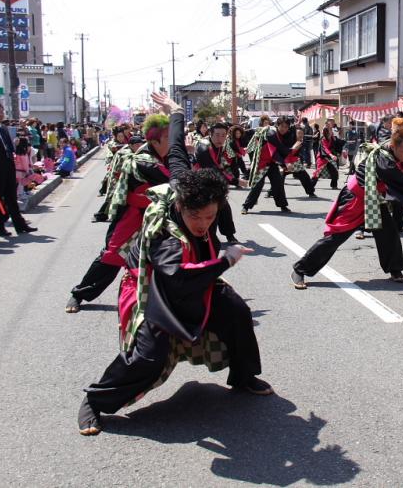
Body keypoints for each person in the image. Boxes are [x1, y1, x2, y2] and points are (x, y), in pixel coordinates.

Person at [77, 92, 272, 436]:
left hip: (197, 276)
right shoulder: (168, 234)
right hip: (156, 288)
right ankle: (95, 401)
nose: (202, 224)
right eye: (194, 216)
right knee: (149, 357)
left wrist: (177, 111)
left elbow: (178, 148)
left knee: (238, 313)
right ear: (180, 206)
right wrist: (225, 260)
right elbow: (179, 279)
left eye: (209, 216)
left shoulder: (186, 182)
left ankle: (243, 377)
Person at [290, 118, 403, 288]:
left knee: (389, 232)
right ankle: (300, 269)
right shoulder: (385, 162)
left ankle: (395, 269)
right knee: (335, 238)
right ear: (393, 147)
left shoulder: (392, 145)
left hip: (373, 198)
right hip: (355, 199)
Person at [65, 115, 171, 313]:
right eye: (169, 138)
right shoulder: (144, 160)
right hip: (134, 217)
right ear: (155, 140)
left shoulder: (165, 155)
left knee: (173, 255)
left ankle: (174, 300)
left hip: (160, 216)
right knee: (112, 256)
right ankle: (80, 293)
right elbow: (175, 181)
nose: (174, 142)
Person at [0, 102, 36, 236]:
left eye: (1, 111)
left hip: (8, 167)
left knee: (12, 197)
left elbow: (8, 148)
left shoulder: (4, 129)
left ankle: (20, 225)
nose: (0, 114)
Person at [242, 117, 311, 214]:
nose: (284, 129)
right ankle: (246, 206)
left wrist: (290, 156)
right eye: (282, 126)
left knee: (278, 183)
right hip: (262, 162)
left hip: (273, 163)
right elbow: (275, 152)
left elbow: (286, 152)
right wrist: (286, 162)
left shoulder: (287, 136)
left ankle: (283, 205)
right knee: (258, 185)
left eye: (286, 127)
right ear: (277, 125)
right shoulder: (271, 133)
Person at [194, 122, 244, 244]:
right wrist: (235, 180)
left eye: (223, 135)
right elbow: (212, 169)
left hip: (211, 181)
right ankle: (207, 238)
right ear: (210, 134)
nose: (220, 138)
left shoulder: (220, 146)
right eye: (217, 135)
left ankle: (229, 235)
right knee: (208, 212)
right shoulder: (203, 147)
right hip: (198, 183)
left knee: (224, 208)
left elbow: (221, 165)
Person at [312, 122, 340, 190]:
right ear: (327, 132)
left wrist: (345, 148)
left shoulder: (333, 138)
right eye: (330, 130)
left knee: (334, 171)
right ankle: (310, 186)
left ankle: (334, 185)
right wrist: (331, 155)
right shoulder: (323, 139)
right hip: (322, 157)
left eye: (331, 129)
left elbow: (339, 143)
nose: (332, 130)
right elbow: (325, 149)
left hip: (329, 158)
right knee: (317, 173)